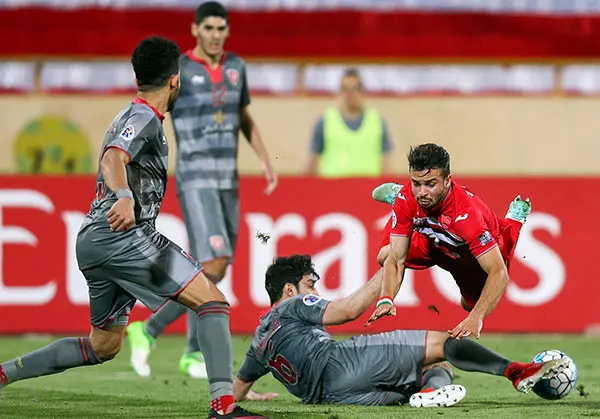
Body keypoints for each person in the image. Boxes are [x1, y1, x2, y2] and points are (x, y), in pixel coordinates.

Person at [0, 36, 265, 419]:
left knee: (103, 345)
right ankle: (223, 408)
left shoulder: (130, 114)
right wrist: (124, 195)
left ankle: (4, 373)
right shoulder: (144, 118)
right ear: (174, 80)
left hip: (94, 240)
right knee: (212, 301)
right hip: (122, 235)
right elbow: (113, 158)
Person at [126, 1, 278, 380]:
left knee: (210, 269)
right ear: (195, 30)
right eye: (208, 28)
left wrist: (264, 158)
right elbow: (153, 109)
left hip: (227, 178)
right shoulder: (179, 70)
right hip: (195, 178)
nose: (214, 35)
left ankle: (181, 347)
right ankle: (159, 335)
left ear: (227, 31)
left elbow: (243, 116)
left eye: (220, 28)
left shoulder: (236, 67)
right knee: (214, 263)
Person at [233, 255, 568, 407]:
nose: (315, 292)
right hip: (340, 363)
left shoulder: (259, 341)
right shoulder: (293, 305)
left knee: (431, 369)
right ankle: (515, 371)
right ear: (290, 289)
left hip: (330, 397)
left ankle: (429, 393)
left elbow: (237, 388)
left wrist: (250, 396)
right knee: (443, 343)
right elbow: (349, 310)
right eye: (310, 285)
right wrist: (395, 261)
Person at [366, 144, 532, 340]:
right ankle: (397, 198)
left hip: (467, 256)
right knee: (384, 256)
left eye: (430, 184)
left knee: (470, 304)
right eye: (416, 183)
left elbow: (499, 273)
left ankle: (514, 220)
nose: (421, 193)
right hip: (434, 241)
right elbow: (395, 260)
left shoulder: (467, 215)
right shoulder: (409, 196)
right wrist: (386, 299)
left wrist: (475, 317)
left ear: (447, 181)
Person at [303, 68, 394, 177]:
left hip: (368, 185)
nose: (350, 94)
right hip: (333, 186)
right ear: (339, 92)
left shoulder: (377, 122)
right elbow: (312, 162)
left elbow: (386, 163)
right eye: (345, 89)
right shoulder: (325, 121)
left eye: (355, 88)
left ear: (362, 91)